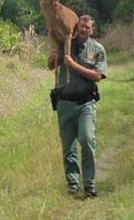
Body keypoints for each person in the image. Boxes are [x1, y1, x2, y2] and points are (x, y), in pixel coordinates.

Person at [47, 15, 107, 198]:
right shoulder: (65, 43)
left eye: (87, 28)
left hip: (85, 103)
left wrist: (73, 65)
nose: (83, 30)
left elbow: (98, 76)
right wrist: (53, 58)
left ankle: (89, 185)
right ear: (76, 26)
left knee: (87, 140)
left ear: (92, 30)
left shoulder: (97, 49)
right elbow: (51, 66)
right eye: (81, 26)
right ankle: (73, 185)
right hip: (65, 102)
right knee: (69, 146)